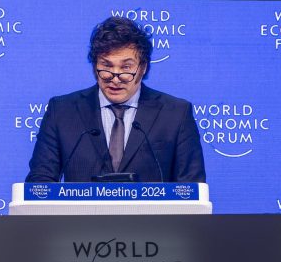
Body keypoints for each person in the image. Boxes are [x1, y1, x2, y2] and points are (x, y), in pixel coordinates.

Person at [26, 16, 206, 183]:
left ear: (143, 68)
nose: (115, 77)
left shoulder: (175, 114)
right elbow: (40, 184)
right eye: (106, 66)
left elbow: (191, 190)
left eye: (126, 67)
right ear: (94, 65)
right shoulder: (62, 111)